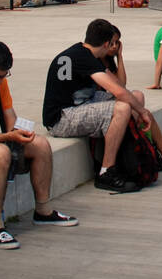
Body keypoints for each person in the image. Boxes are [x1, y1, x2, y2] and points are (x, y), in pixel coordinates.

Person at [0, 41, 78, 250]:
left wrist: (20, 133)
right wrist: (7, 137)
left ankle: (43, 210)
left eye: (3, 76)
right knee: (0, 153)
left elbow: (9, 117)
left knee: (41, 144)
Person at [43, 18, 155, 192]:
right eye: (113, 43)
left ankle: (128, 159)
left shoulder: (83, 53)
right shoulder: (84, 58)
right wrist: (143, 112)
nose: (114, 46)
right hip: (61, 118)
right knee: (123, 107)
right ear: (106, 44)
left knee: (136, 96)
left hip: (80, 105)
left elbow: (120, 86)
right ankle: (106, 171)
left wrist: (138, 105)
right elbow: (117, 91)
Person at [100, 25, 162, 169]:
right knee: (144, 112)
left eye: (117, 43)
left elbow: (122, 83)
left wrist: (119, 57)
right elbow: (119, 88)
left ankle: (158, 153)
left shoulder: (108, 59)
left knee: (139, 100)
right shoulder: (95, 61)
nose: (114, 47)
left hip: (110, 102)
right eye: (112, 43)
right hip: (103, 104)